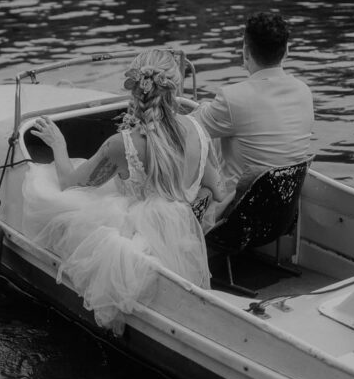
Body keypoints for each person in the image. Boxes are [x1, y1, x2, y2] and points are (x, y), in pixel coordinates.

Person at [21, 48, 228, 333]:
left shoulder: (121, 144)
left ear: (135, 90)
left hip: (136, 242)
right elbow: (217, 190)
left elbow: (69, 182)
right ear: (175, 86)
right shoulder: (198, 129)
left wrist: (58, 144)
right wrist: (186, 208)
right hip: (183, 242)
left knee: (52, 196)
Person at [194, 11, 314, 224]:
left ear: (246, 52)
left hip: (237, 219)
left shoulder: (233, 98)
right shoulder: (304, 91)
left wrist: (205, 106)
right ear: (287, 51)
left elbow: (191, 127)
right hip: (283, 213)